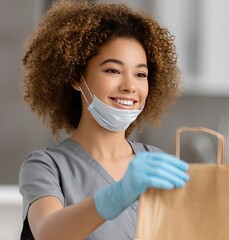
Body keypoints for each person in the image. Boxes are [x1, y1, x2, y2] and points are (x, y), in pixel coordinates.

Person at [19, 1, 190, 239]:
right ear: (77, 78)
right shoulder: (46, 167)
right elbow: (49, 232)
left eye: (140, 74)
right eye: (113, 70)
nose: (130, 86)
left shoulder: (159, 165)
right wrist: (117, 195)